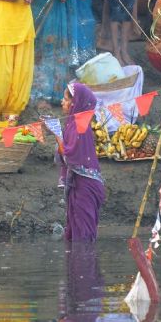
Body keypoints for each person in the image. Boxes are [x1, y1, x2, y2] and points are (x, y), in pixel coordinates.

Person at [31, 0, 96, 110]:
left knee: (62, 46)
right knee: (41, 46)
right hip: (38, 1)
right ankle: (40, 94)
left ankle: (59, 93)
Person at [57, 83, 105, 241]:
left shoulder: (80, 127)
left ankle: (85, 265)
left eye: (65, 99)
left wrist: (57, 134)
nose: (61, 102)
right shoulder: (72, 124)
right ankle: (77, 265)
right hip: (78, 184)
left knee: (84, 237)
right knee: (75, 233)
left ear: (75, 103)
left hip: (86, 186)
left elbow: (69, 156)